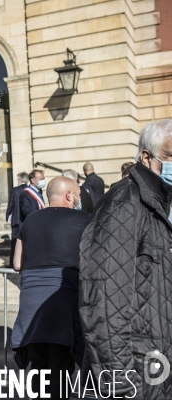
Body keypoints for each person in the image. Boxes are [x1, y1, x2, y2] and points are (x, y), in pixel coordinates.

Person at [79, 120, 172, 398]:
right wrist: (119, 380)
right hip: (138, 366)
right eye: (170, 156)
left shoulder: (163, 202)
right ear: (147, 157)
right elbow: (103, 300)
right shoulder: (123, 201)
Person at [11, 176, 91, 399]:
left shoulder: (30, 221)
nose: (78, 198)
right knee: (61, 370)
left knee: (38, 369)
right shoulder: (85, 219)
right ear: (69, 195)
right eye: (77, 193)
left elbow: (17, 263)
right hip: (63, 309)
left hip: (31, 310)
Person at [5, 172, 28, 266]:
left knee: (15, 242)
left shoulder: (15, 190)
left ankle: (13, 262)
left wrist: (8, 217)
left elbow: (11, 205)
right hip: (26, 220)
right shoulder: (30, 190)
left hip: (16, 220)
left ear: (20, 180)